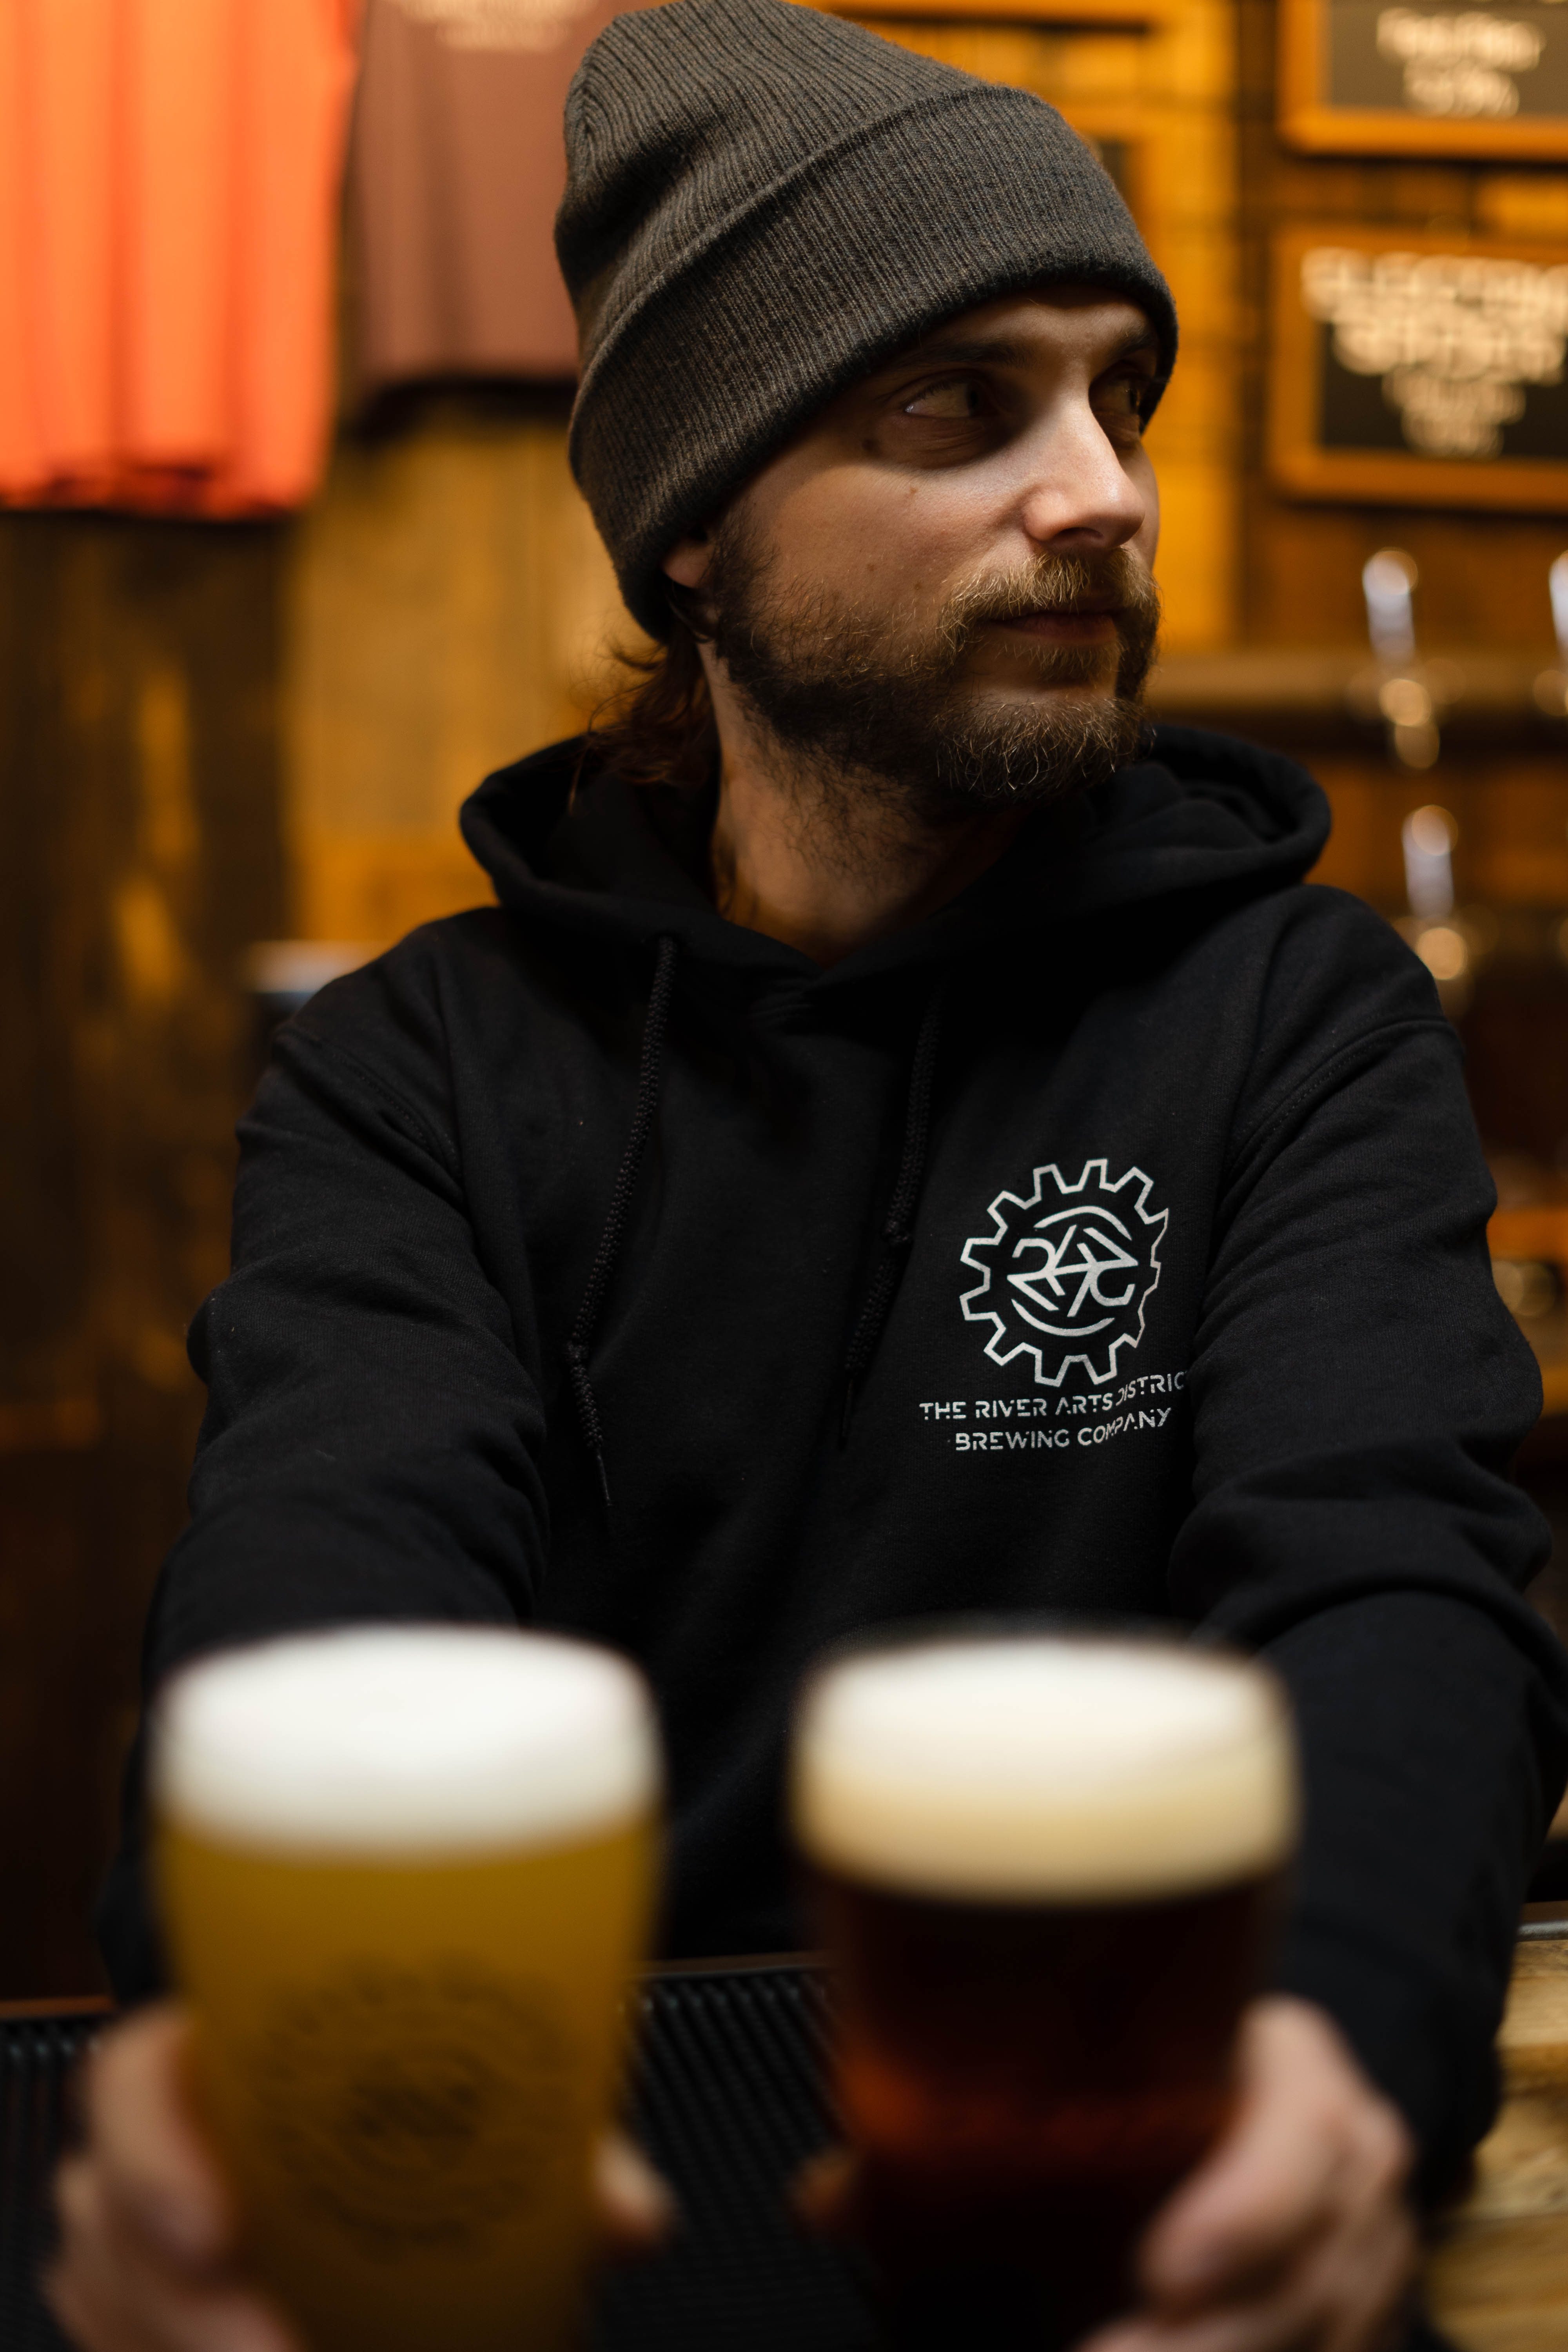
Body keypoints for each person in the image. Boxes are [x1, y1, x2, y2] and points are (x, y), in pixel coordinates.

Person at [51, 2, 1568, 2348]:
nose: (1106, 492)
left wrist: (1337, 2065)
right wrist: (248, 2071)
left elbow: (1400, 1588)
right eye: (961, 406)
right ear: (694, 529)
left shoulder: (1290, 1010)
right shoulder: (418, 1070)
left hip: (1125, 2182)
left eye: (1117, 396)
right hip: (556, 2197)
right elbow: (319, 1601)